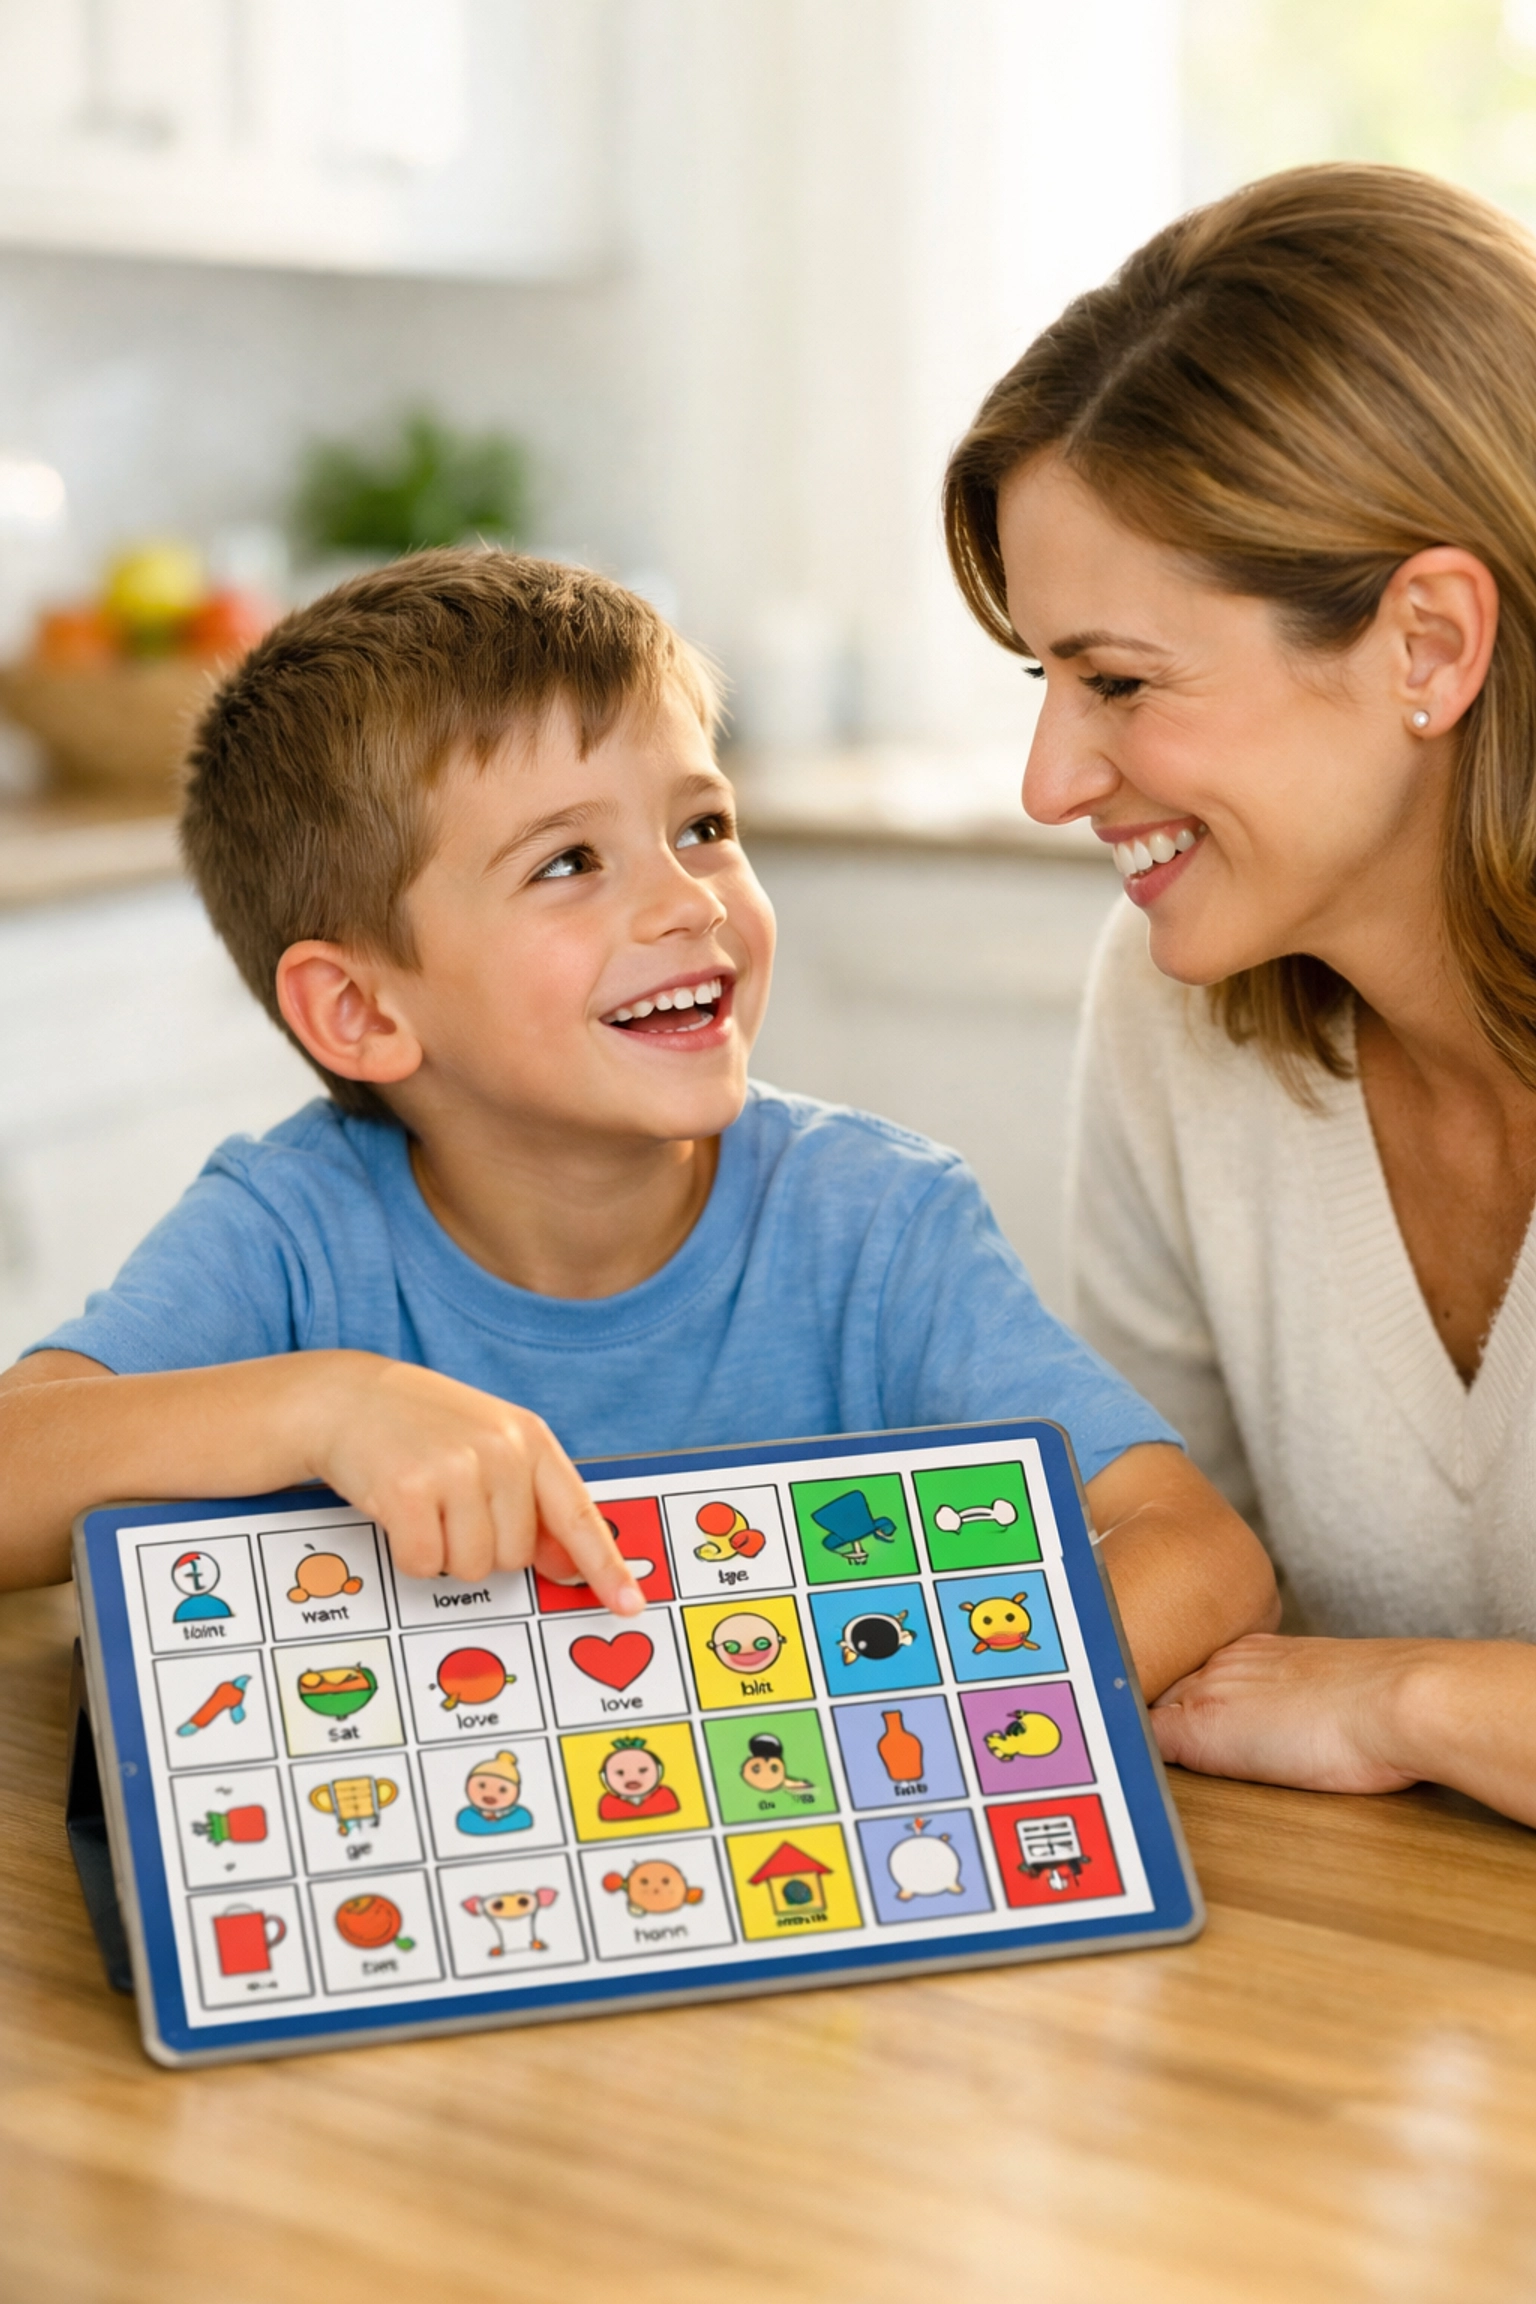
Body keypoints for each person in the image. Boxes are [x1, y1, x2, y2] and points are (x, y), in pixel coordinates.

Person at [0, 549, 1273, 1698]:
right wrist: (326, 1408)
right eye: (568, 862)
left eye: (702, 828)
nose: (690, 902)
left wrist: (927, 1708)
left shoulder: (877, 1225)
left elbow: (1197, 1551)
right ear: (360, 1010)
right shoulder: (289, 1231)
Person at [943, 162, 1536, 1824]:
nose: (1052, 781)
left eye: (1119, 680)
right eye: (1045, 677)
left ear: (1428, 644)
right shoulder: (1175, 1010)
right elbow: (1189, 1594)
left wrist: (1411, 1697)